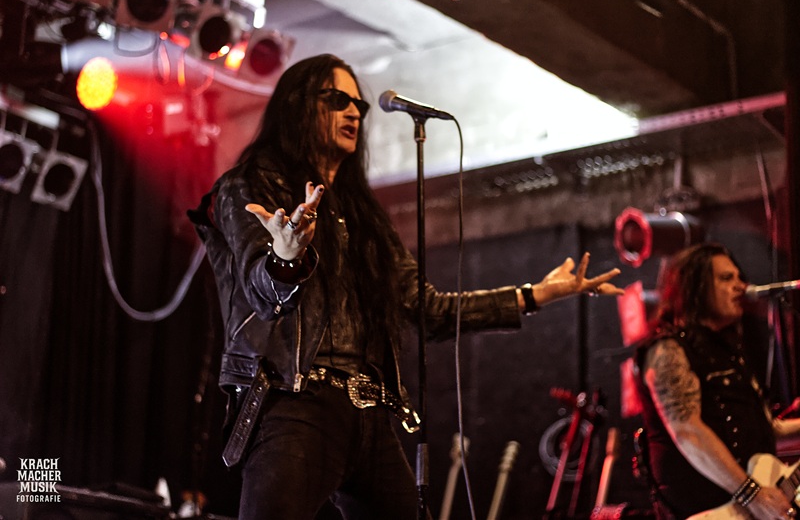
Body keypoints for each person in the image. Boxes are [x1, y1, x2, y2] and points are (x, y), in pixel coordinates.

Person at [189, 53, 623, 519]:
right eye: (337, 100)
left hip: (368, 410)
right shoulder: (249, 186)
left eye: (359, 105)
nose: (353, 112)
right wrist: (286, 256)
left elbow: (428, 309)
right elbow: (261, 291)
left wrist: (535, 294)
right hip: (295, 402)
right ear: (298, 105)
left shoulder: (362, 215)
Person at [635, 242, 800, 519]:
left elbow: (765, 427)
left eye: (739, 277)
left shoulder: (730, 352)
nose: (741, 286)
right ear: (695, 286)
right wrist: (752, 495)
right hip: (711, 508)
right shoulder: (668, 349)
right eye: (726, 278)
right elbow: (687, 430)